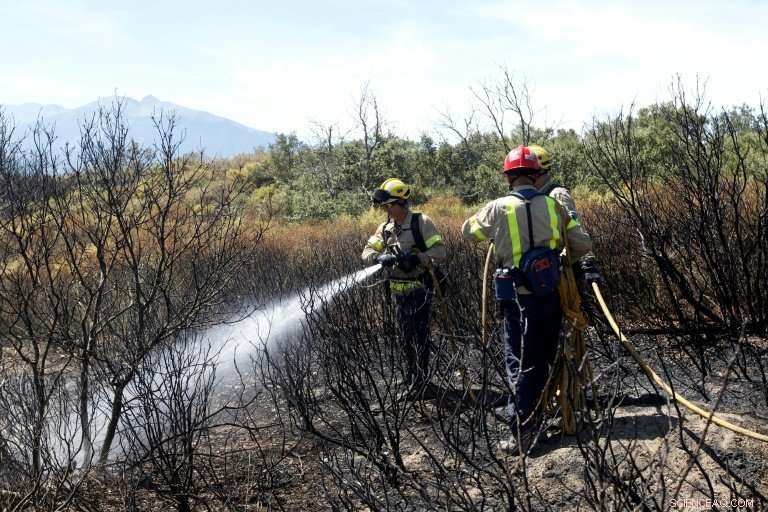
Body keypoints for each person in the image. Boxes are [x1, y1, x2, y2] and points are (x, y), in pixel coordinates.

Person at [462, 146, 592, 453]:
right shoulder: (553, 205)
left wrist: (497, 231)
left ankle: (522, 429)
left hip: (517, 300)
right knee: (543, 358)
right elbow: (581, 243)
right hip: (549, 296)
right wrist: (557, 261)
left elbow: (469, 232)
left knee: (519, 362)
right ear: (536, 175)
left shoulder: (498, 207)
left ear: (509, 177)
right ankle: (535, 418)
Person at [361, 178, 446, 395]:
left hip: (420, 290)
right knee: (405, 337)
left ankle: (422, 382)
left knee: (420, 336)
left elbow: (440, 251)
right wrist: (380, 257)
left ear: (401, 202)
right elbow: (366, 252)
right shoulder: (385, 228)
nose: (386, 210)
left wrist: (417, 258)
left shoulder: (421, 222)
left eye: (389, 205)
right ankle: (411, 377)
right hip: (398, 294)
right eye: (384, 206)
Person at [528, 144, 601, 289]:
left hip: (568, 272)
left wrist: (587, 262)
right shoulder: (534, 199)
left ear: (537, 172)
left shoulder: (557, 195)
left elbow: (575, 231)